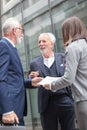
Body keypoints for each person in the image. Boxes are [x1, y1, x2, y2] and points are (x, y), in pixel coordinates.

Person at [42, 16, 87, 130]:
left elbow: (68, 79)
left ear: (67, 31)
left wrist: (51, 85)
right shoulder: (85, 45)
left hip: (83, 100)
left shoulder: (73, 48)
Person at [0, 17, 42, 125]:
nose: (22, 34)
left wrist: (30, 82)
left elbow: (12, 79)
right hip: (10, 111)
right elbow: (1, 79)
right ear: (14, 30)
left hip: (16, 109)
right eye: (21, 30)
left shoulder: (11, 47)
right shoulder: (4, 46)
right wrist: (7, 110)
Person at [29, 33, 75, 130]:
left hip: (64, 99)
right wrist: (31, 79)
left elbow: (71, 77)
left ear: (52, 44)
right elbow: (33, 84)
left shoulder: (63, 57)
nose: (41, 44)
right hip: (46, 104)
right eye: (39, 42)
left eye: (44, 41)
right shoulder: (34, 63)